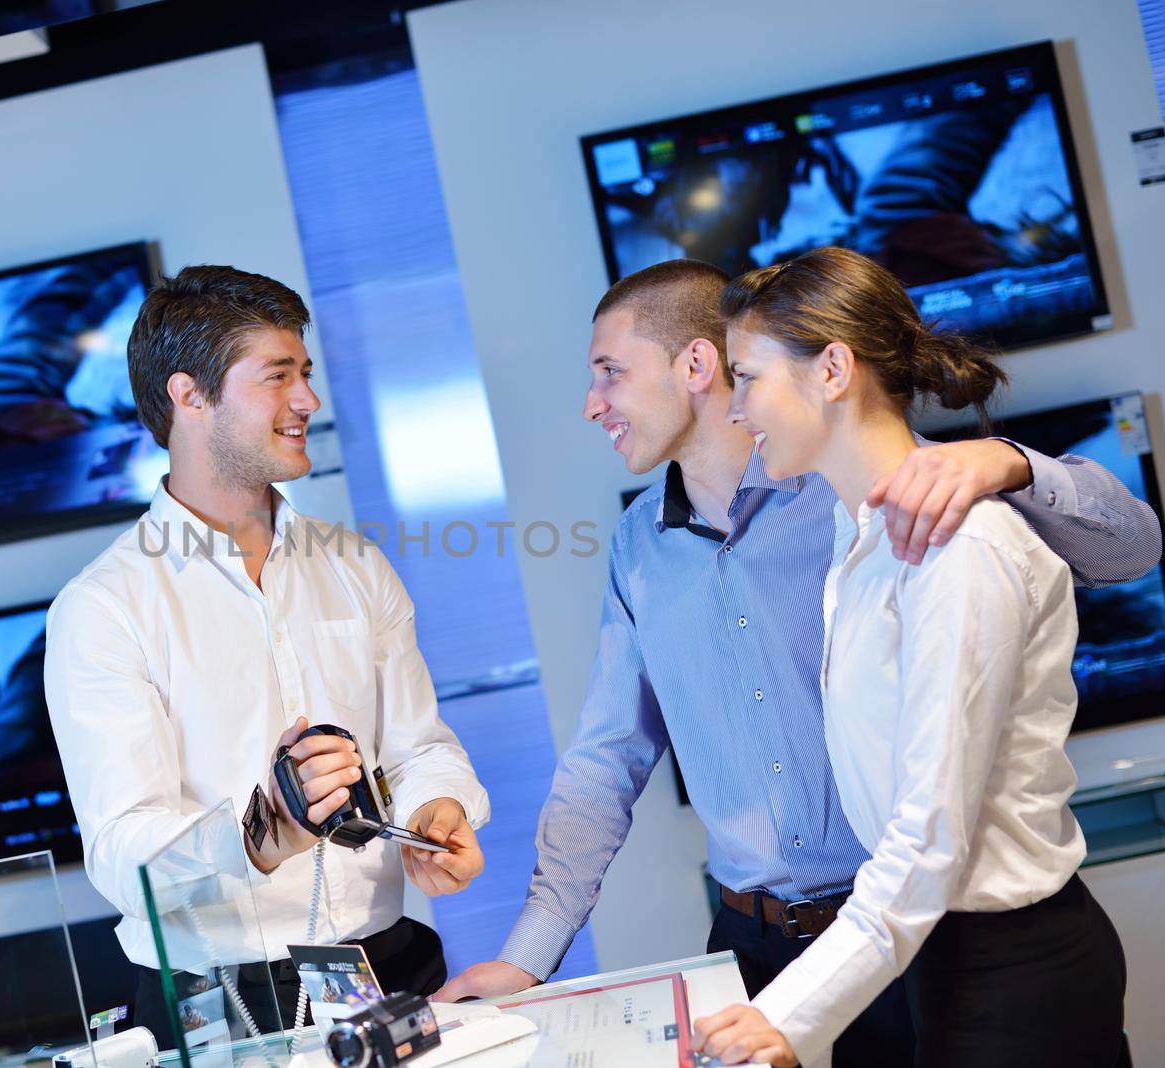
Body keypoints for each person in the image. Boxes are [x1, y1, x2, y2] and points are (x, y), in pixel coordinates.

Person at [434, 259, 1158, 1067]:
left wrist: (1011, 460)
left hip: (908, 925)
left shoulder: (895, 502)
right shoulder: (647, 545)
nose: (591, 403)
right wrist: (527, 955)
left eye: (610, 371)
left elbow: (1129, 549)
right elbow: (604, 760)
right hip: (762, 941)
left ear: (699, 367)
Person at [690, 247, 1127, 1067]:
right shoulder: (855, 535)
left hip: (1017, 971)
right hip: (935, 954)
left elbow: (928, 836)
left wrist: (788, 1013)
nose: (736, 407)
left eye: (747, 377)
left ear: (831, 370)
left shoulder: (957, 545)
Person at [44, 265, 490, 1048]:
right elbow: (120, 857)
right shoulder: (104, 607)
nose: (308, 401)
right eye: (277, 377)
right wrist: (261, 834)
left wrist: (434, 808)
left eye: (306, 374)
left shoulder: (356, 566)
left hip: (387, 969)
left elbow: (421, 747)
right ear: (190, 397)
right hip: (217, 1008)